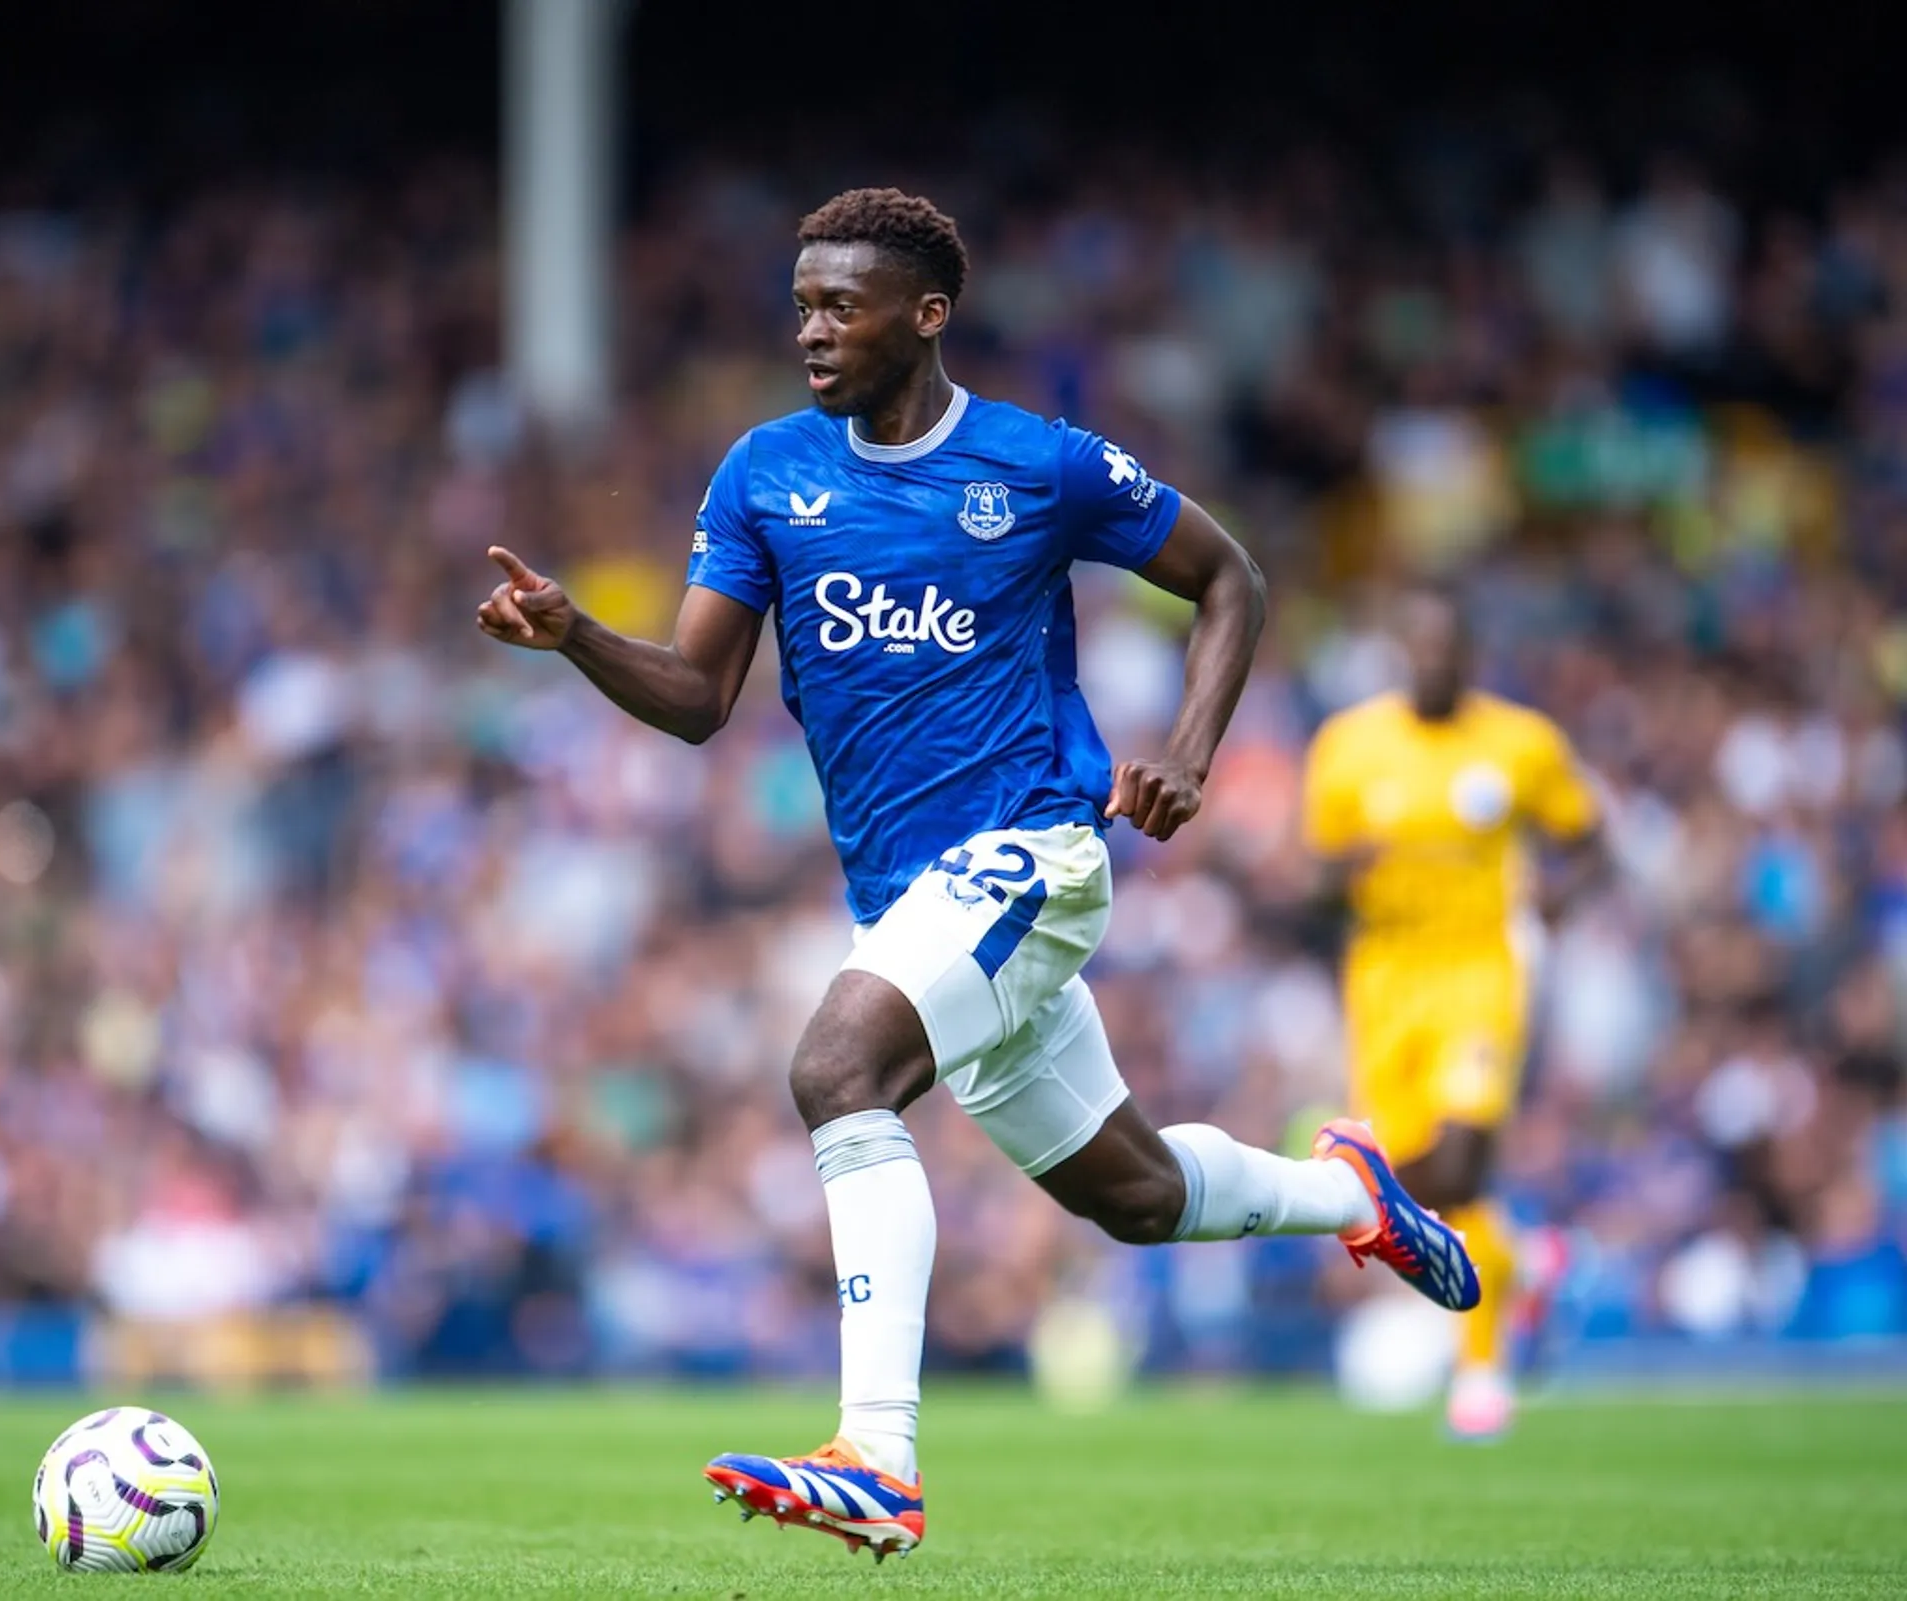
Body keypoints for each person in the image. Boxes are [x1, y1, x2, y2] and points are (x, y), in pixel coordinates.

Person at [476, 188, 1477, 1560]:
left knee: (839, 1066)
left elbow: (1229, 576)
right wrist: (579, 634)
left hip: (1032, 851)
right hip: (912, 899)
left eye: (840, 306)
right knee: (1135, 1197)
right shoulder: (764, 473)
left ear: (926, 315)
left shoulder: (1039, 464)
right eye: (802, 304)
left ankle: (877, 1456)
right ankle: (1355, 1195)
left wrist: (1188, 755)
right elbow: (700, 696)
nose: (809, 329)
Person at [1300, 584, 1607, 1440]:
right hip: (1385, 977)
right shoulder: (1347, 746)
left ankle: (1481, 1374)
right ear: (1402, 653)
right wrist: (1342, 871)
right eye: (1420, 647)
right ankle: (1523, 1261)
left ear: (1469, 655)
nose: (1434, 662)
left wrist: (1560, 897)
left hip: (1481, 968)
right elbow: (1312, 878)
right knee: (1395, 1184)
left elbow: (1590, 840)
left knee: (1464, 1159)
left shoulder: (1520, 743)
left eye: (1448, 648)